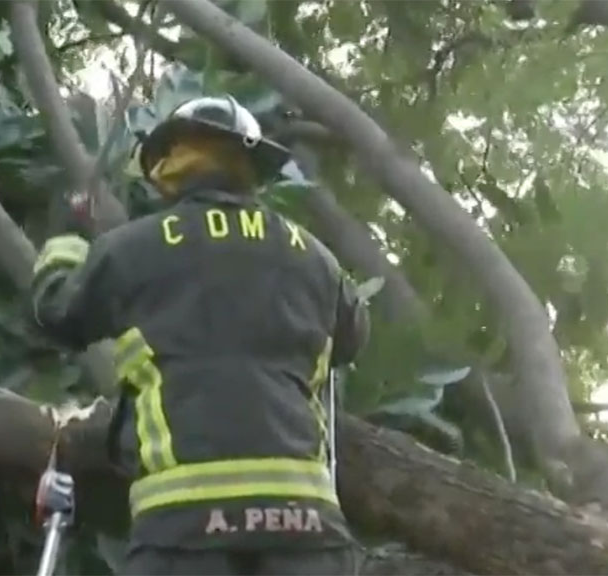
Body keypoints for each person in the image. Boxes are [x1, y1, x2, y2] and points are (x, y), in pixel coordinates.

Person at [30, 95, 370, 575]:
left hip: (181, 529)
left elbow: (55, 312)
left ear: (167, 165)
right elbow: (353, 336)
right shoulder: (314, 257)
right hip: (306, 529)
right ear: (252, 168)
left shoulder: (133, 248)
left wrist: (66, 239)